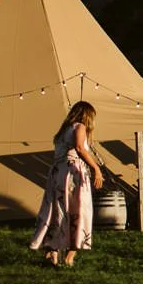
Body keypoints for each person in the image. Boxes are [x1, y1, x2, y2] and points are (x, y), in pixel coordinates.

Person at [30, 100, 105, 268]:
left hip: (58, 172)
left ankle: (53, 250)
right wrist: (96, 168)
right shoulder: (80, 127)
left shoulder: (64, 130)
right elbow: (79, 147)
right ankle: (70, 256)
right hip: (72, 172)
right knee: (78, 211)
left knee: (58, 211)